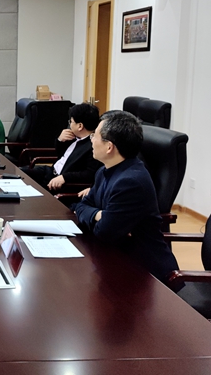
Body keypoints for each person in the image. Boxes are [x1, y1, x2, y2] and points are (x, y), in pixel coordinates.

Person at [73, 110, 178, 284]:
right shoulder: (104, 171)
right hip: (116, 257)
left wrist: (98, 216)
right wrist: (99, 214)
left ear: (109, 147)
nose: (91, 140)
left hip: (146, 274)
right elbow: (81, 205)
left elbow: (104, 232)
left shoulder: (130, 182)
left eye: (94, 136)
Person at [21, 102, 102, 191]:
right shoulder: (73, 137)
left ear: (80, 126)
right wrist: (60, 140)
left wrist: (65, 177)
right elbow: (60, 154)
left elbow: (89, 174)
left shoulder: (93, 146)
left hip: (60, 181)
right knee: (19, 172)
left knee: (25, 188)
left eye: (71, 122)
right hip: (51, 171)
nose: (69, 125)